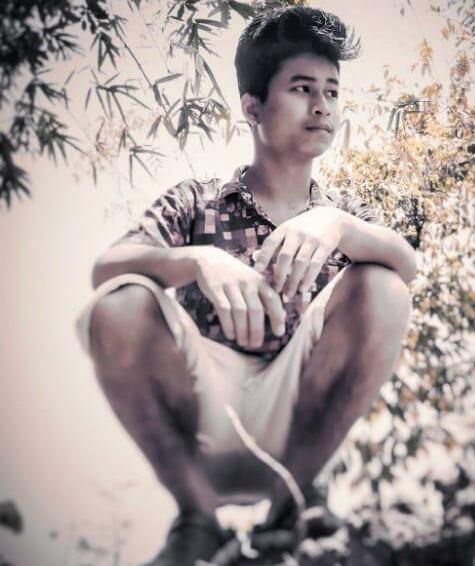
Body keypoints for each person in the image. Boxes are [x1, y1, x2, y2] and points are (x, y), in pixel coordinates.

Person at [76, 5, 416, 565]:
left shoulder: (346, 214)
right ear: (253, 105)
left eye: (332, 91)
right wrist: (195, 261)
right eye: (302, 88)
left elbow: (407, 266)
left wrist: (337, 226)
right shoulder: (196, 200)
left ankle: (290, 508)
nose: (322, 105)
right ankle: (197, 519)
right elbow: (106, 268)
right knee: (118, 304)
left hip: (302, 428)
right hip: (199, 419)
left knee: (383, 285)